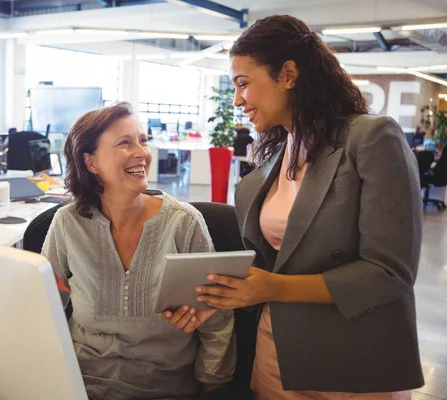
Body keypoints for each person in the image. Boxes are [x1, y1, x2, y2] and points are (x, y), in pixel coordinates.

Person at [166, 15, 423, 399]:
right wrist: (220, 301)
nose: (237, 100)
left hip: (349, 357)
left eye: (243, 83)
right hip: (278, 350)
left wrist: (277, 288)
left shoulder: (370, 139)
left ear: (287, 74)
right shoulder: (270, 163)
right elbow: (272, 266)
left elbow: (390, 272)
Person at [41, 102, 236, 400]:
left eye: (142, 141)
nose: (142, 152)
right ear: (90, 162)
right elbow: (44, 305)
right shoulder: (68, 223)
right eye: (124, 143)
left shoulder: (182, 222)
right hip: (81, 383)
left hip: (164, 387)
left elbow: (216, 315)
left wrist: (213, 384)